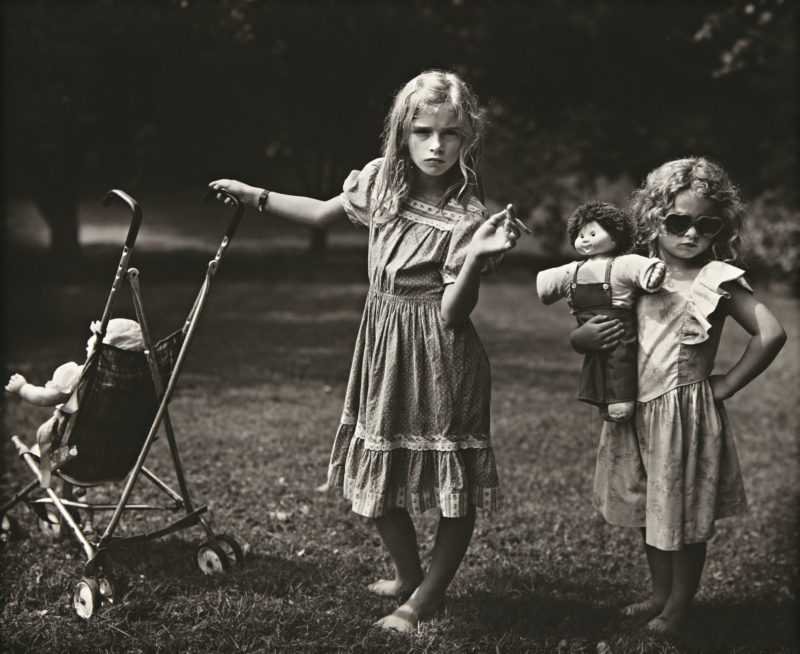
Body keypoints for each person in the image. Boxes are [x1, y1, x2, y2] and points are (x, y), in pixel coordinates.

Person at [209, 70, 522, 632]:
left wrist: (476, 259)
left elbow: (454, 313)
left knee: (454, 486)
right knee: (375, 470)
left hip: (443, 355)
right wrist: (253, 194)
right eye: (422, 131)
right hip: (383, 341)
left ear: (468, 138)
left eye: (450, 134)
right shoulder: (380, 183)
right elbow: (322, 213)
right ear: (402, 133)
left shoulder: (471, 218)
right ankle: (406, 573)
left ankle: (426, 597)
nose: (435, 145)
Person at [571, 157, 786, 633]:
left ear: (720, 229)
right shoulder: (630, 275)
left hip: (685, 417)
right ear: (654, 218)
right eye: (678, 221)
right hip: (635, 412)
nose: (691, 234)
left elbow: (770, 334)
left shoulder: (718, 280)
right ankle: (659, 593)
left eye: (706, 225)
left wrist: (727, 382)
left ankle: (679, 605)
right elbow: (594, 333)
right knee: (653, 509)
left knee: (683, 516)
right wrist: (582, 340)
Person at [536, 201, 665, 422]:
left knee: (619, 361)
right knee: (594, 365)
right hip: (587, 329)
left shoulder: (619, 265)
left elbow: (641, 268)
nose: (585, 238)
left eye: (593, 233)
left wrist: (651, 272)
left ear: (615, 236)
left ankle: (620, 400)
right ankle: (602, 401)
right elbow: (546, 286)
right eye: (580, 234)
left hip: (618, 331)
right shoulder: (572, 270)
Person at [5, 318, 145, 491]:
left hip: (76, 455)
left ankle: (46, 478)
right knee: (78, 439)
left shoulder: (81, 376)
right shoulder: (142, 382)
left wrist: (22, 387)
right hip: (115, 459)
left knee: (45, 432)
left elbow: (43, 398)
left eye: (95, 337)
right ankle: (67, 494)